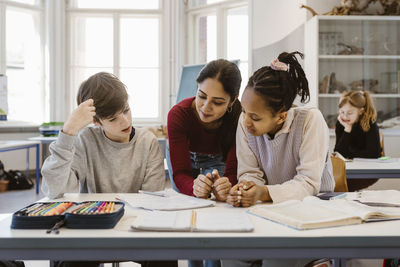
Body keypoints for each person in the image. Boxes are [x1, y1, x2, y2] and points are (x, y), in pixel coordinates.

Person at [41, 72, 176, 267]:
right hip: (92, 228)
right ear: (96, 121)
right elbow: (54, 191)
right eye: (113, 119)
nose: (125, 121)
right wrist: (69, 131)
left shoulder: (147, 141)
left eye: (126, 110)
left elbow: (151, 199)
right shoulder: (85, 140)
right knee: (63, 257)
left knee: (165, 254)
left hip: (136, 227)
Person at [223, 52, 335, 267]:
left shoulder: (310, 120)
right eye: (244, 111)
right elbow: (249, 172)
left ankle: (319, 258)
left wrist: (263, 192)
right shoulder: (245, 122)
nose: (246, 121)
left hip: (314, 209)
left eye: (255, 117)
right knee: (230, 252)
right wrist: (245, 189)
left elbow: (309, 183)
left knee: (276, 258)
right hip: (269, 210)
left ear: (282, 115)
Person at [167, 59, 241, 267]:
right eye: (202, 96)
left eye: (217, 102)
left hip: (219, 160)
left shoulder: (239, 119)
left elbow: (233, 171)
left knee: (215, 216)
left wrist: (226, 184)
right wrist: (194, 188)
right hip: (185, 159)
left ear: (232, 101)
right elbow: (180, 172)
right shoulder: (178, 114)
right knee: (190, 212)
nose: (206, 108)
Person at [334, 90, 382, 191]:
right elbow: (338, 153)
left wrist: (351, 152)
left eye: (350, 113)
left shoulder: (370, 123)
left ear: (361, 111)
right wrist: (347, 129)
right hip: (347, 169)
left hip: (368, 169)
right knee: (332, 182)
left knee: (341, 186)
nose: (345, 116)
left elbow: (374, 153)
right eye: (342, 112)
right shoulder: (341, 123)